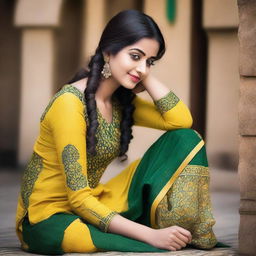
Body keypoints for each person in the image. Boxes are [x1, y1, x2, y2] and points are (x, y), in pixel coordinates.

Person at [16, 9, 218, 255]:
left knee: (186, 139)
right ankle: (146, 231)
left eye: (150, 61)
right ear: (108, 51)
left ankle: (163, 228)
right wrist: (151, 236)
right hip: (49, 216)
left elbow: (181, 121)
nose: (142, 67)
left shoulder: (122, 102)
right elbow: (77, 198)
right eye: (135, 56)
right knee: (83, 239)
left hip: (95, 199)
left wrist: (147, 77)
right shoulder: (69, 104)